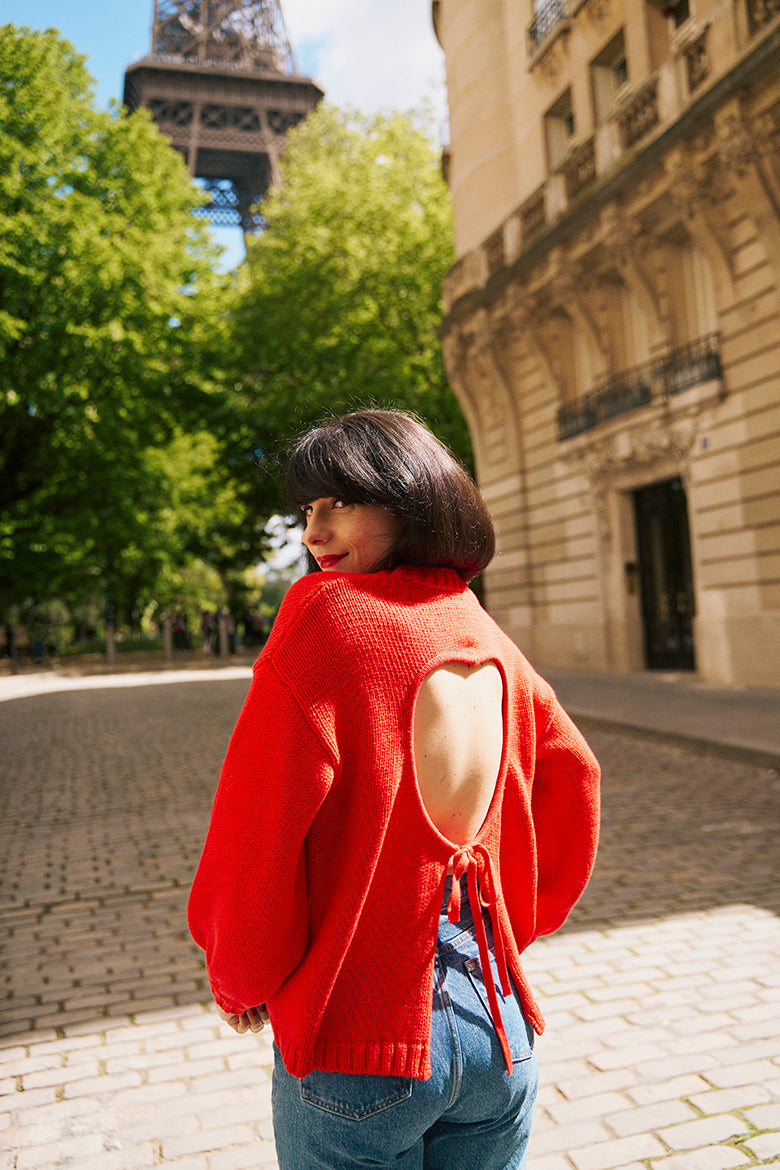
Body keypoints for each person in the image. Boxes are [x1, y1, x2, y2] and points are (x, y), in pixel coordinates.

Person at [188, 409, 600, 1169]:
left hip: (362, 1037)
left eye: (341, 502)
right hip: (498, 1022)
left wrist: (239, 975)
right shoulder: (480, 627)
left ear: (411, 498)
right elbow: (576, 774)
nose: (314, 532)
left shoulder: (324, 615)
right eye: (307, 510)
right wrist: (518, 920)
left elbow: (258, 828)